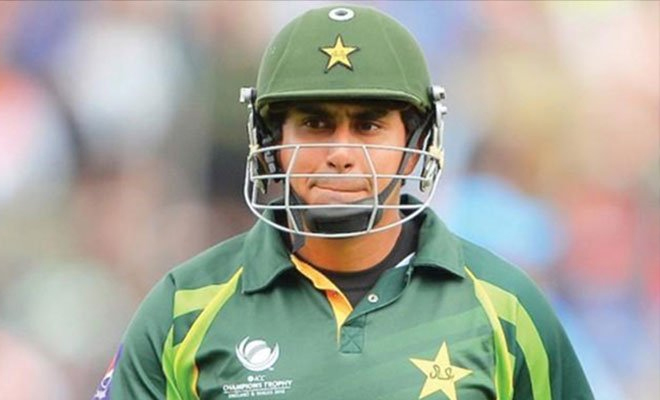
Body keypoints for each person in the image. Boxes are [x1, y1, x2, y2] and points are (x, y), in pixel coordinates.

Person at [94, 5, 593, 400]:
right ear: (271, 141)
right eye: (315, 124)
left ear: (417, 142)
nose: (340, 153)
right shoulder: (184, 309)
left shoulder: (505, 307)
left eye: (369, 125)